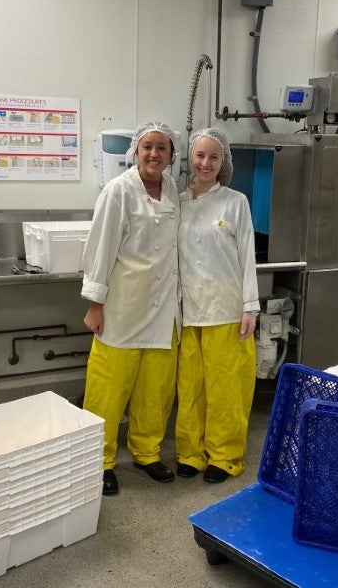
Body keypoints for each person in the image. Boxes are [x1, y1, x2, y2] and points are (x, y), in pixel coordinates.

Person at [81, 121, 182, 496]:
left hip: (162, 311)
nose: (154, 154)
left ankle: (146, 451)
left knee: (155, 391)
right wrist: (95, 305)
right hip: (122, 307)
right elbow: (100, 250)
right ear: (135, 152)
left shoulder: (172, 189)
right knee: (108, 390)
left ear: (172, 155)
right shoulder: (118, 191)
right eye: (147, 147)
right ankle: (100, 459)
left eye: (162, 148)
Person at [175, 127, 259, 484]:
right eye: (200, 155)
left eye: (213, 156)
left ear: (223, 161)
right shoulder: (177, 202)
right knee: (190, 385)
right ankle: (190, 452)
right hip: (188, 309)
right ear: (190, 159)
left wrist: (250, 306)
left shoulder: (235, 201)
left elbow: (247, 257)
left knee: (226, 388)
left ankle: (225, 456)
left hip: (226, 308)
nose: (205, 162)